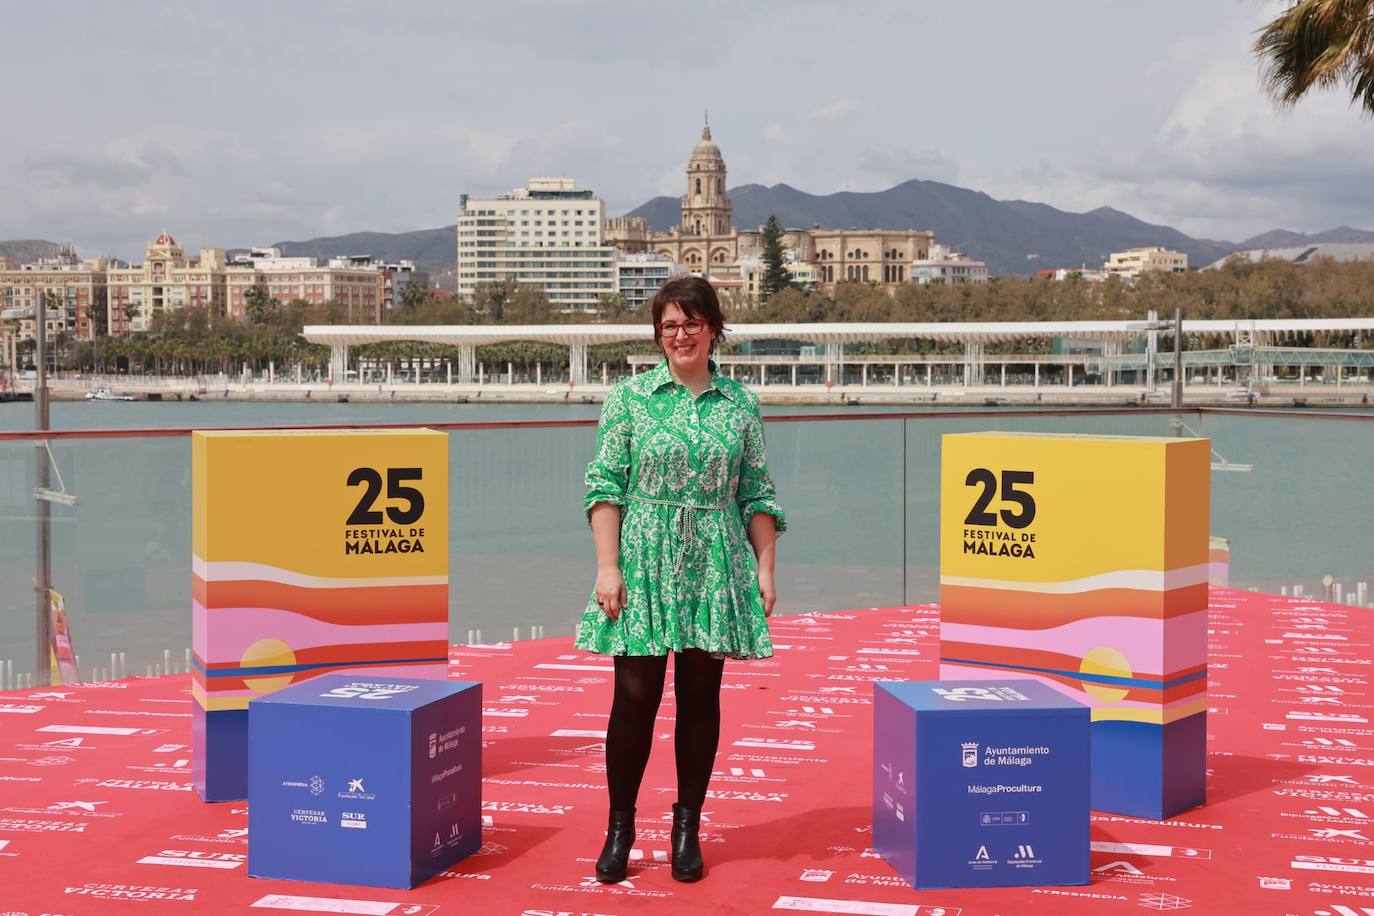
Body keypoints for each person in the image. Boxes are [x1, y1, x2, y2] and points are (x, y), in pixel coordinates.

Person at [575, 276, 786, 884]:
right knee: (634, 698)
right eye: (669, 325)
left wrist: (765, 569)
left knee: (700, 699)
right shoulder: (630, 398)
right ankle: (620, 827)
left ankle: (687, 825)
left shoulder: (740, 404)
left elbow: (757, 492)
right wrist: (607, 565)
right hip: (643, 556)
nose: (680, 335)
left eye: (692, 323)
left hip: (715, 560)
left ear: (714, 328)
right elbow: (605, 485)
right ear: (657, 335)